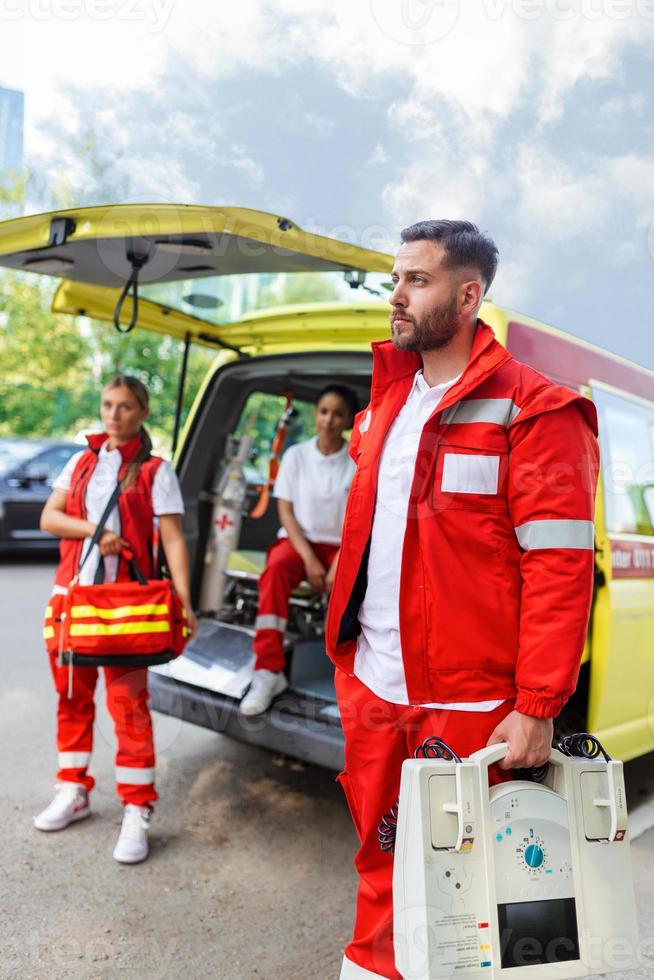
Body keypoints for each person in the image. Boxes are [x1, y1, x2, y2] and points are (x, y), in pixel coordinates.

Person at [325, 220, 600, 980]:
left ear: (469, 294)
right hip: (378, 685)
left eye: (417, 280)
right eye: (395, 280)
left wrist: (538, 703)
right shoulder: (384, 409)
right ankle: (372, 968)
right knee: (381, 857)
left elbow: (560, 565)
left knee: (485, 886)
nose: (397, 297)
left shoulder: (537, 410)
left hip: (475, 705)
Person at [35, 375, 197, 864]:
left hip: (127, 606)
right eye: (108, 404)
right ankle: (73, 789)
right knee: (71, 697)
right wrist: (96, 530)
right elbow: (50, 518)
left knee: (128, 706)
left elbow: (172, 538)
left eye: (125, 407)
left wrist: (184, 599)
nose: (114, 414)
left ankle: (137, 808)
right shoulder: (80, 461)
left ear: (142, 412)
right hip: (73, 601)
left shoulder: (154, 470)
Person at [239, 383, 358, 716]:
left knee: (354, 585)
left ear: (348, 419)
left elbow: (357, 520)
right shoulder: (296, 456)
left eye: (337, 414)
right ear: (315, 415)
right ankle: (266, 673)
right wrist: (308, 558)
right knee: (274, 571)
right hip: (297, 541)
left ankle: (346, 679)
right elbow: (286, 512)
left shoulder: (356, 461)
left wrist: (338, 565)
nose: (329, 420)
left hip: (341, 546)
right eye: (323, 412)